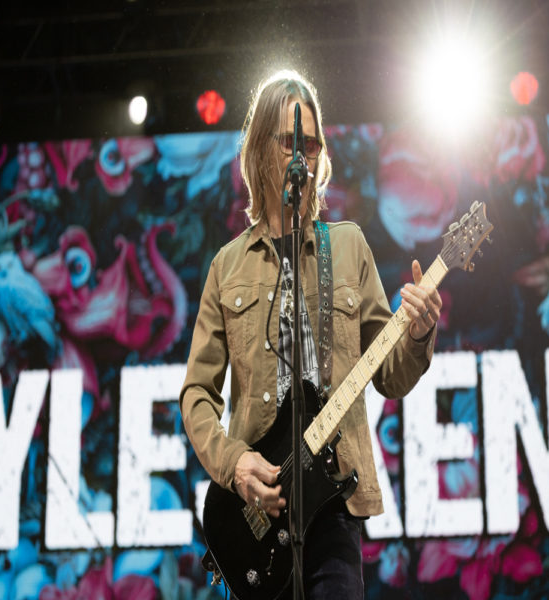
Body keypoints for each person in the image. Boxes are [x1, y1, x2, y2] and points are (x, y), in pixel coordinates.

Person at [179, 70, 442, 599]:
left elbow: (389, 376)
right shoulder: (227, 267)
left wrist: (417, 333)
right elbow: (196, 394)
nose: (305, 155)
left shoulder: (347, 246)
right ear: (260, 150)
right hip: (259, 505)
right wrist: (235, 464)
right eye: (290, 142)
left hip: (333, 504)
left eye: (313, 144)